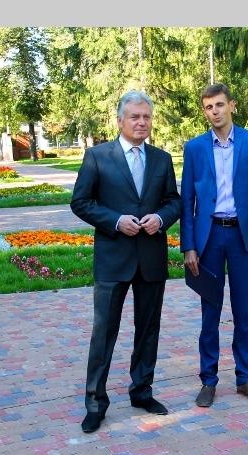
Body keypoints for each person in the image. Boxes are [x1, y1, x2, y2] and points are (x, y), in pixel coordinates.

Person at [71, 90, 181, 433]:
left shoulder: (162, 159)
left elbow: (174, 201)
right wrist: (116, 221)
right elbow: (80, 202)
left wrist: (160, 219)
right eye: (135, 116)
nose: (141, 122)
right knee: (104, 333)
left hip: (150, 258)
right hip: (113, 258)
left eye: (146, 117)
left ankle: (142, 391)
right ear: (120, 121)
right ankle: (95, 403)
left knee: (148, 330)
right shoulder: (97, 156)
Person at [181, 83, 248, 408]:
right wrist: (189, 246)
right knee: (210, 312)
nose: (215, 112)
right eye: (209, 107)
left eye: (220, 105)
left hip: (242, 237)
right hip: (209, 238)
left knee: (242, 311)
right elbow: (186, 201)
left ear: (232, 106)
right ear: (205, 111)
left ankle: (244, 378)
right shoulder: (194, 148)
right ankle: (208, 380)